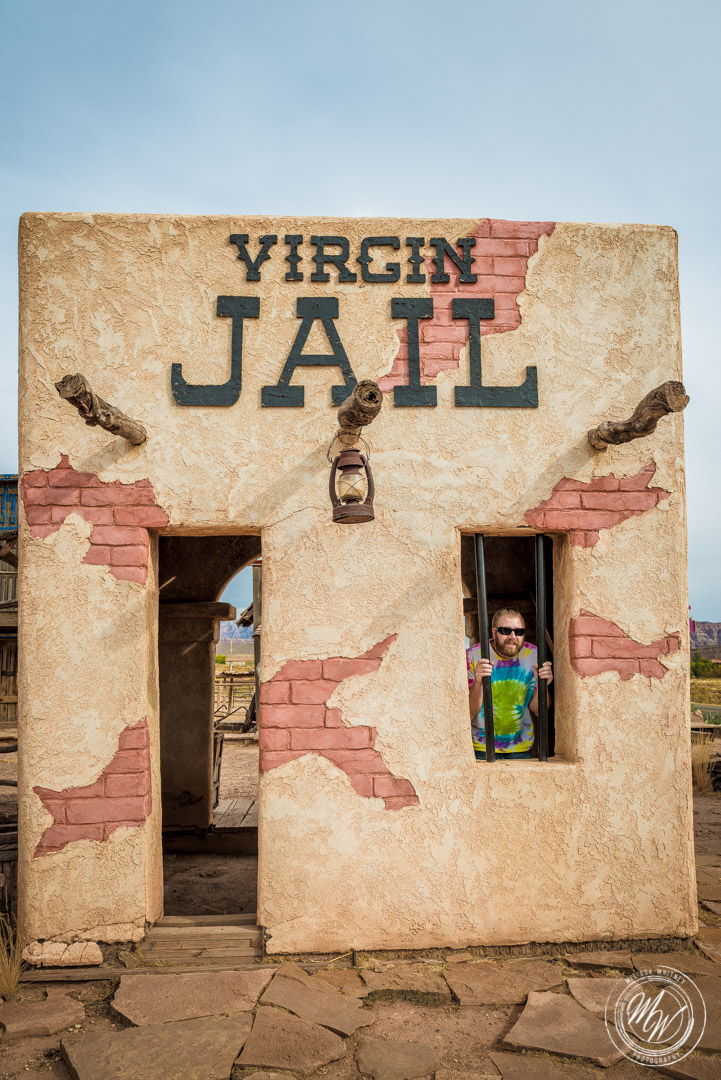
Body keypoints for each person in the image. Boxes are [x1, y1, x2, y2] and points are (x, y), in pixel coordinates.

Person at [467, 608, 553, 760]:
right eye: (505, 631)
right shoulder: (473, 656)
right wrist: (478, 682)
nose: (513, 637)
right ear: (493, 632)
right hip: (481, 747)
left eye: (519, 632)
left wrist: (543, 684)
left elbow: (538, 710)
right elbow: (469, 712)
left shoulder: (533, 654)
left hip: (520, 746)